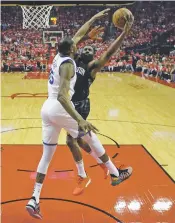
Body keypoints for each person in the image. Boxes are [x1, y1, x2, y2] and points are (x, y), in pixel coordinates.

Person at [25, 8, 114, 219]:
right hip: (58, 107)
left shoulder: (59, 56)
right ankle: (113, 171)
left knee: (46, 157)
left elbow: (79, 35)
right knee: (89, 135)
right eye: (76, 44)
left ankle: (34, 198)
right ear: (73, 49)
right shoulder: (67, 64)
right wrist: (80, 119)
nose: (78, 43)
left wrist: (92, 18)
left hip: (46, 108)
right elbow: (64, 98)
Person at [67, 14, 134, 196]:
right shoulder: (74, 60)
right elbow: (75, 39)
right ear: (81, 51)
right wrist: (89, 30)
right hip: (68, 105)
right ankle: (107, 168)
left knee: (71, 140)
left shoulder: (92, 67)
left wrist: (124, 35)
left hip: (80, 106)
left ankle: (92, 174)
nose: (89, 48)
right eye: (86, 47)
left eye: (91, 48)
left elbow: (109, 53)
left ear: (93, 55)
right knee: (80, 140)